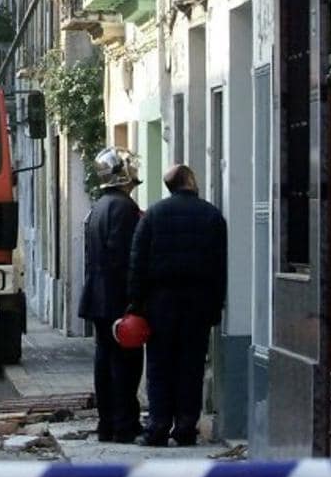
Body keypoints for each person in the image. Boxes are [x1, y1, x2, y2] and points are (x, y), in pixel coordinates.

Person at [128, 164, 227, 447]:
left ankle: (158, 426)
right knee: (191, 366)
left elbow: (137, 263)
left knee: (160, 365)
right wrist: (216, 305)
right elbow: (220, 266)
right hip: (199, 301)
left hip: (160, 303)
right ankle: (185, 427)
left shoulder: (153, 215)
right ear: (191, 181)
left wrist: (136, 304)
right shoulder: (211, 215)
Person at [78, 147, 144, 443]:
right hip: (118, 299)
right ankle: (124, 425)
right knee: (126, 365)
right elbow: (124, 257)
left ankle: (107, 423)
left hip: (97, 297)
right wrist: (135, 298)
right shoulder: (124, 208)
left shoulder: (98, 207)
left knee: (104, 363)